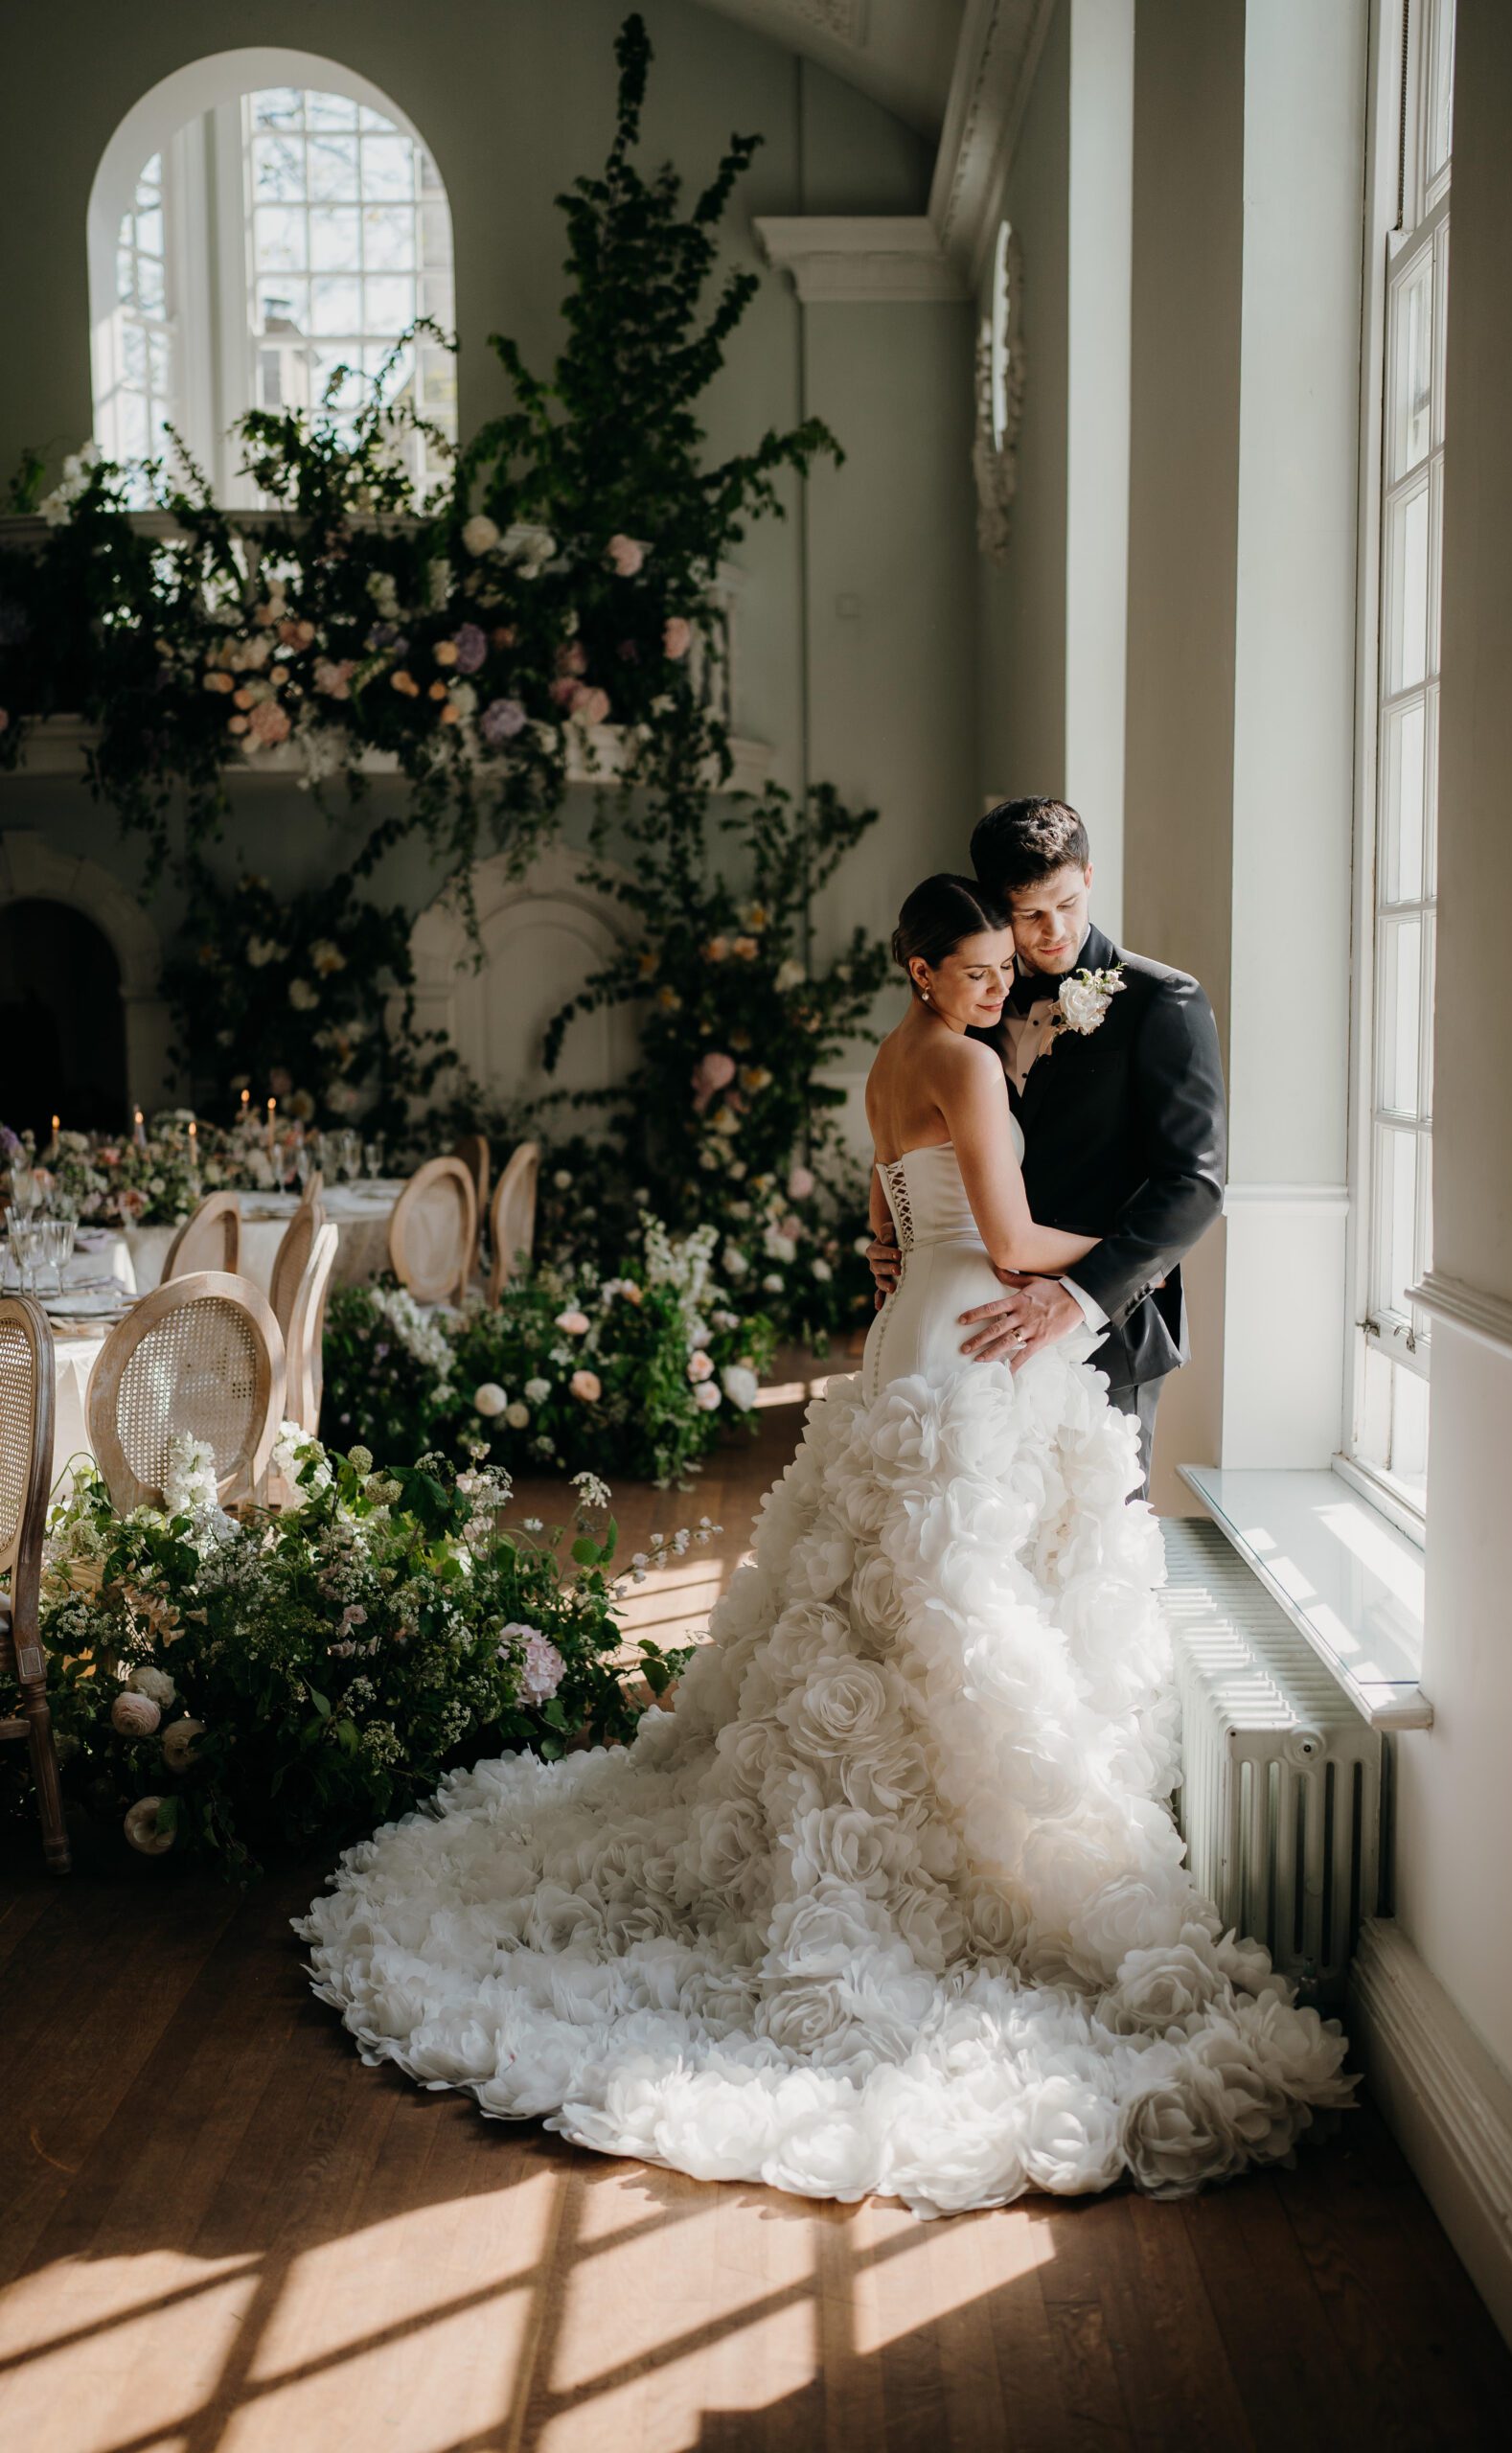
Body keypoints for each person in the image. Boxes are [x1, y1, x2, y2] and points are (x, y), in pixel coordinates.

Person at [298, 874, 1348, 2219]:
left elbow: (891, 1224)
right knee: (941, 1598)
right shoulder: (963, 1062)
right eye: (971, 971)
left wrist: (1001, 1159)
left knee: (892, 1596)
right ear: (922, 969)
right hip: (972, 1338)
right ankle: (967, 1850)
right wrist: (1133, 1253)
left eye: (996, 971)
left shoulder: (893, 1058)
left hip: (917, 1324)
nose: (994, 989)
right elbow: (1016, 1236)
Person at [867, 799, 1226, 1496]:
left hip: (1105, 1335)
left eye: (1066, 901)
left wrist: (1077, 1295)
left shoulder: (1162, 1002)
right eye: (1029, 914)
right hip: (966, 1326)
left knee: (1088, 1554)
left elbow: (1194, 1184)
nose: (1053, 930)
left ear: (1089, 875)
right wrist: (894, 1238)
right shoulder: (975, 997)